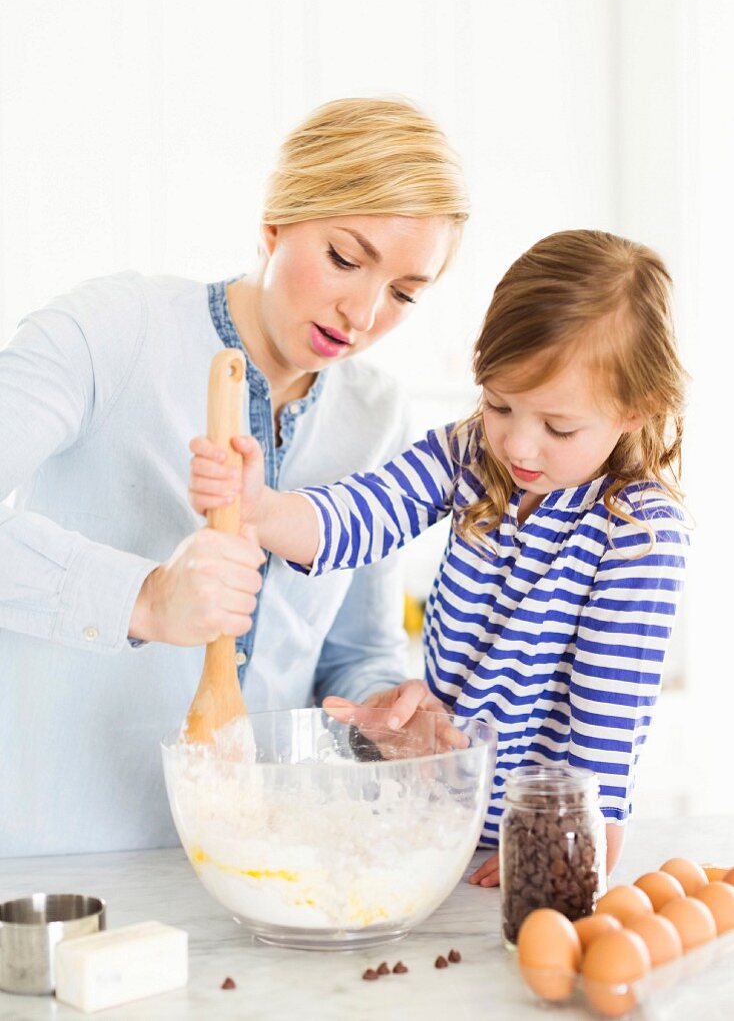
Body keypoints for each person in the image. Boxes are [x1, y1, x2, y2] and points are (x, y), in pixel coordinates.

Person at [0, 98, 469, 856]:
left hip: (254, 869)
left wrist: (381, 709)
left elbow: (353, 653)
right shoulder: (111, 331)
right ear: (276, 222)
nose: (364, 311)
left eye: (406, 293)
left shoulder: (377, 416)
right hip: (54, 865)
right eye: (346, 259)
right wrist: (145, 599)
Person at [189, 229, 690, 887]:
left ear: (637, 409)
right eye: (499, 404)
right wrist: (258, 506)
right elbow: (359, 516)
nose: (520, 445)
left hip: (539, 834)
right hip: (435, 816)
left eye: (558, 427)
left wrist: (561, 843)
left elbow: (604, 731)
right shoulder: (467, 455)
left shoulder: (640, 535)